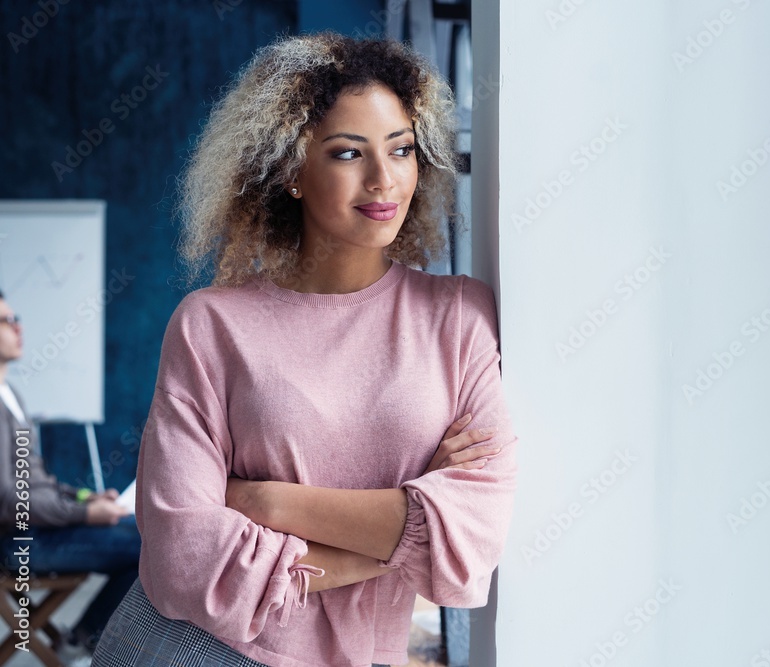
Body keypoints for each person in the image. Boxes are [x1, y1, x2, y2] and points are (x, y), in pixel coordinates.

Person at [92, 33, 517, 667]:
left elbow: (476, 534)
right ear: (291, 169)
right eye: (348, 153)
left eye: (401, 150)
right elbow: (182, 555)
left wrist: (267, 501)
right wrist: (408, 532)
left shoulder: (456, 314)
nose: (383, 179)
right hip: (208, 652)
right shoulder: (211, 325)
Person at [0, 290, 142, 663]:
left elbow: (36, 480)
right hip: (20, 542)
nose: (18, 327)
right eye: (5, 320)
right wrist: (84, 515)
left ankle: (80, 637)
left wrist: (86, 500)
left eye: (16, 318)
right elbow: (10, 501)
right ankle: (82, 638)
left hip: (41, 529)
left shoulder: (9, 392)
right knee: (150, 547)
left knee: (148, 532)